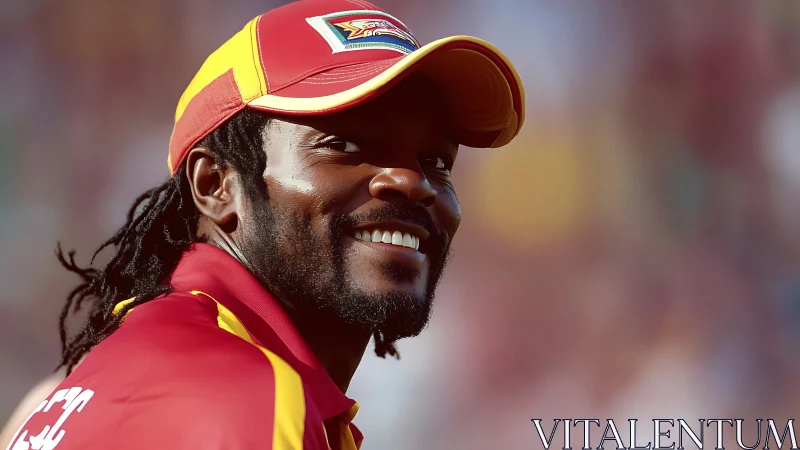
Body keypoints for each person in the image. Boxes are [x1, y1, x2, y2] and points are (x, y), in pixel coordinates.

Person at [4, 0, 524, 448]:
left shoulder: (110, 379)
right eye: (343, 144)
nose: (412, 182)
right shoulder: (251, 403)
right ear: (215, 185)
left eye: (437, 162)